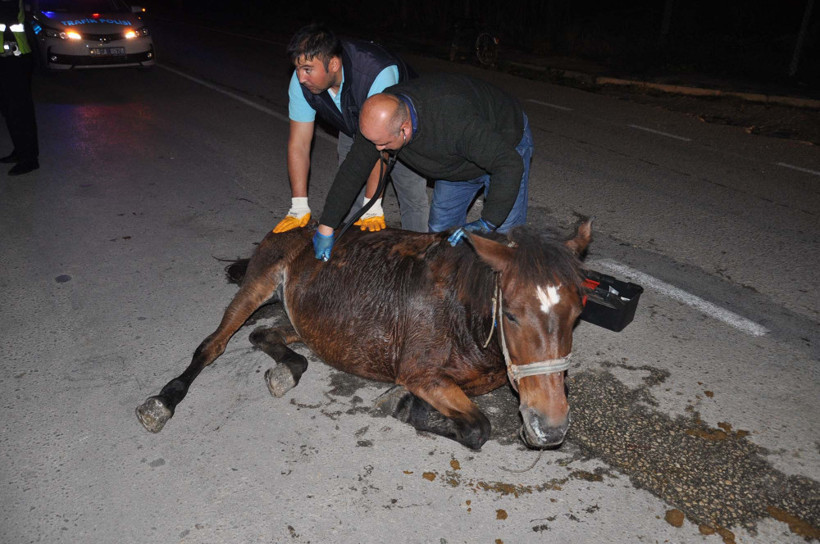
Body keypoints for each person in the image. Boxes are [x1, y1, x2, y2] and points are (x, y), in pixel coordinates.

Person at [312, 73, 533, 260]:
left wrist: (487, 223)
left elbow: (508, 164)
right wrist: (326, 227)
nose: (377, 149)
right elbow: (353, 170)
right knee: (442, 238)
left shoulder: (452, 120)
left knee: (502, 241)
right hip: (456, 161)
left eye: (383, 144)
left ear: (405, 129)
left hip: (504, 142)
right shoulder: (381, 121)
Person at [273, 24, 428, 234]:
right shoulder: (301, 83)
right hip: (352, 121)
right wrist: (298, 206)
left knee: (411, 195)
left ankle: (416, 248)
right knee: (349, 190)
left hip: (399, 127)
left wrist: (373, 204)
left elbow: (380, 145)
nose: (301, 77)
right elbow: (299, 144)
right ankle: (345, 246)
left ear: (333, 64)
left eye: (307, 69)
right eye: (298, 68)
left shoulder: (376, 73)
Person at [0, 0, 39, 176]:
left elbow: (7, 15)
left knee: (19, 111)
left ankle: (29, 159)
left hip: (15, 56)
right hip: (7, 57)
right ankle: (20, 150)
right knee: (9, 110)